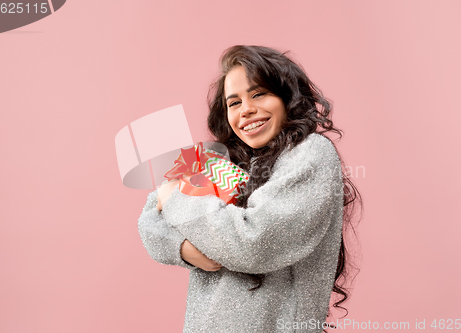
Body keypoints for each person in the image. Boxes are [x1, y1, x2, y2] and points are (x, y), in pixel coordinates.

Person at [138, 45, 362, 332]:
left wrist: (176, 198)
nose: (247, 110)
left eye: (258, 94)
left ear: (287, 98)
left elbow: (254, 244)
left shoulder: (310, 155)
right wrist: (180, 248)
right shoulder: (224, 161)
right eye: (234, 103)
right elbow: (149, 216)